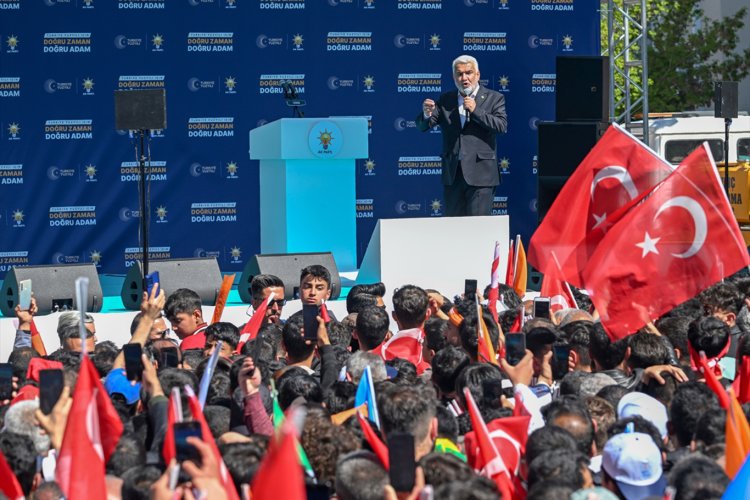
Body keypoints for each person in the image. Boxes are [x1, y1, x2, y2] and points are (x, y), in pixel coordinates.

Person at [416, 54, 508, 217]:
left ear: (477, 75)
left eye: (469, 73)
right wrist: (426, 114)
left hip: (481, 176)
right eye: (459, 74)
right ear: (454, 77)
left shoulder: (494, 98)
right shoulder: (446, 99)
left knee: (478, 230)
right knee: (454, 231)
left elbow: (501, 126)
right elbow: (423, 126)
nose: (464, 78)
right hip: (453, 176)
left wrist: (476, 110)